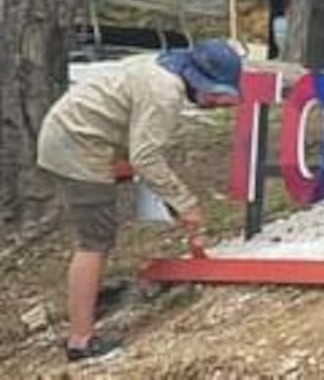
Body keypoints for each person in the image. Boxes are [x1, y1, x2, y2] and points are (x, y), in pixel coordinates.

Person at [38, 40, 244, 365]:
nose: (219, 104)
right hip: (78, 144)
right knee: (95, 240)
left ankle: (94, 299)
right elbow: (145, 157)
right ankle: (81, 340)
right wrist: (186, 203)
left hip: (82, 135)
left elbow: (140, 149)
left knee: (101, 228)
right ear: (199, 81)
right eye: (217, 96)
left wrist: (172, 200)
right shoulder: (165, 92)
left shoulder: (163, 67)